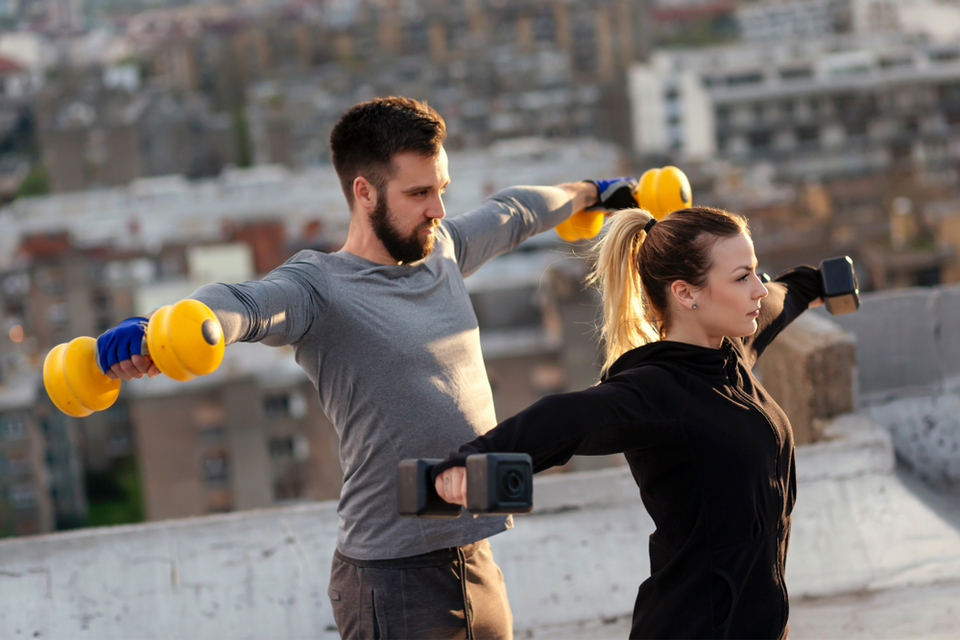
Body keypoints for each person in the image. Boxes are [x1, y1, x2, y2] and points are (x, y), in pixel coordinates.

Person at [93, 96, 639, 640]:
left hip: (474, 555)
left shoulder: (443, 250)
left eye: (441, 190)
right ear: (364, 191)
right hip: (395, 581)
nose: (437, 210)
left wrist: (595, 193)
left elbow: (516, 211)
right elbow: (245, 303)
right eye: (419, 193)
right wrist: (156, 330)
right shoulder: (321, 288)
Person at [433, 206, 826, 640]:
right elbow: (565, 418)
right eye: (741, 277)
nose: (756, 288)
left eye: (755, 271)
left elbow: (777, 298)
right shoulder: (656, 392)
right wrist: (470, 463)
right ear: (686, 293)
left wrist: (817, 283)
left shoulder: (729, 355)